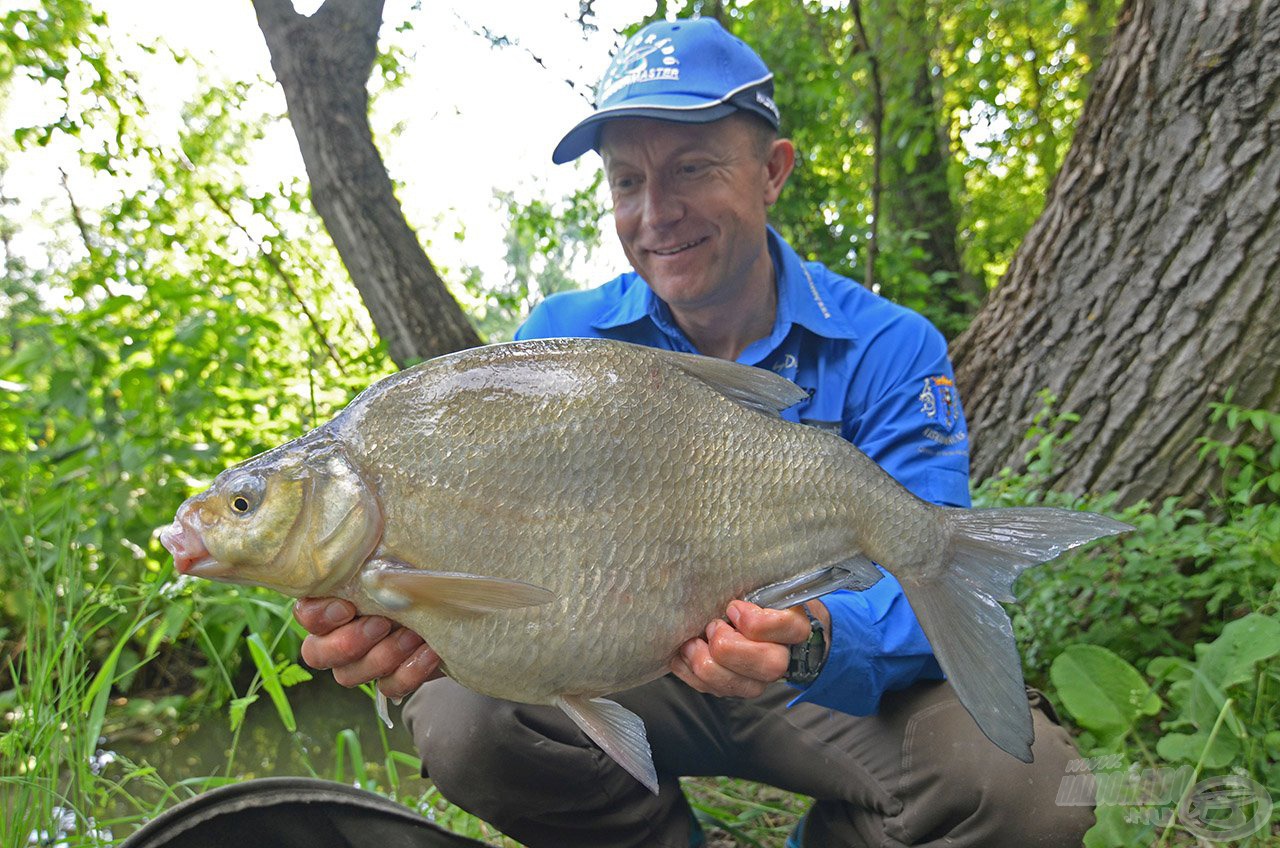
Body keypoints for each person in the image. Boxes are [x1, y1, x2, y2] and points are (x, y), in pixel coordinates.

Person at [294, 18, 1093, 848]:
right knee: (462, 719)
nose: (656, 213)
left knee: (1033, 795)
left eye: (691, 170)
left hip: (820, 683)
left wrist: (812, 639)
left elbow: (923, 578)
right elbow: (491, 567)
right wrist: (415, 628)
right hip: (619, 666)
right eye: (627, 181)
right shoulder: (556, 345)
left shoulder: (893, 345)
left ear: (772, 171)